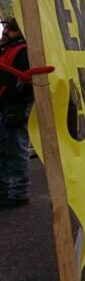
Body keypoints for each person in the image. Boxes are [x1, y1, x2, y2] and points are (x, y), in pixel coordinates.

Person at [0, 18, 34, 209]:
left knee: (15, 150)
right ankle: (5, 190)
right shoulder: (7, 47)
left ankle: (19, 192)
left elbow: (23, 81)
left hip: (15, 106)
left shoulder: (23, 50)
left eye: (10, 28)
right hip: (5, 105)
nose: (5, 31)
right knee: (4, 150)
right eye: (5, 27)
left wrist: (8, 97)